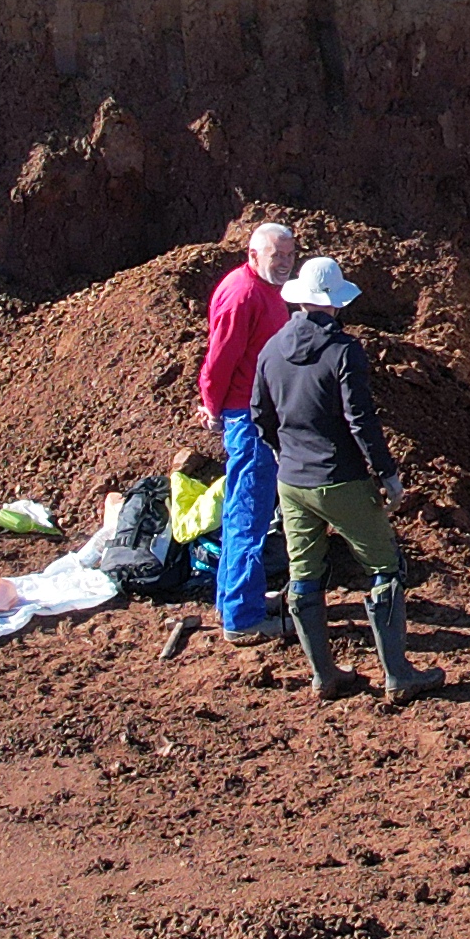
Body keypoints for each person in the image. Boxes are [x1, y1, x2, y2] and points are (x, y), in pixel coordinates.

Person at [253, 251, 437, 702]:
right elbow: (361, 421)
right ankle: (398, 674)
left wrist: (286, 453)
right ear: (336, 302)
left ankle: (324, 675)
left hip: (292, 482)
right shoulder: (343, 351)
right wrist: (387, 473)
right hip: (341, 478)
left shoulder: (271, 348)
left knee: (305, 576)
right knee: (385, 567)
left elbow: (260, 416)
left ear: (300, 301)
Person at [181, 218, 299, 655]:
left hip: (259, 413)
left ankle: (240, 600)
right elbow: (219, 357)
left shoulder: (266, 290)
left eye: (290, 256)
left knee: (248, 510)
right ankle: (242, 618)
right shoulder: (242, 293)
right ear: (253, 256)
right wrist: (213, 407)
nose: (285, 264)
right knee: (247, 514)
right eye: (277, 256)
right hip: (246, 418)